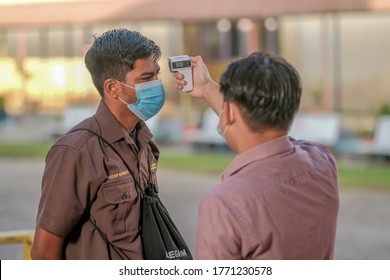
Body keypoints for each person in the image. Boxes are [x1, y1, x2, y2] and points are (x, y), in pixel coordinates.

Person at [173, 52, 339, 259]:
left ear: (230, 112)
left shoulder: (224, 204)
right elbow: (269, 141)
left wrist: (211, 91)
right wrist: (206, 87)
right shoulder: (322, 162)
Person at [31, 29, 165, 259]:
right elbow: (44, 250)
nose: (157, 84)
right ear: (113, 87)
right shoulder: (77, 151)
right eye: (146, 79)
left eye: (156, 75)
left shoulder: (144, 141)